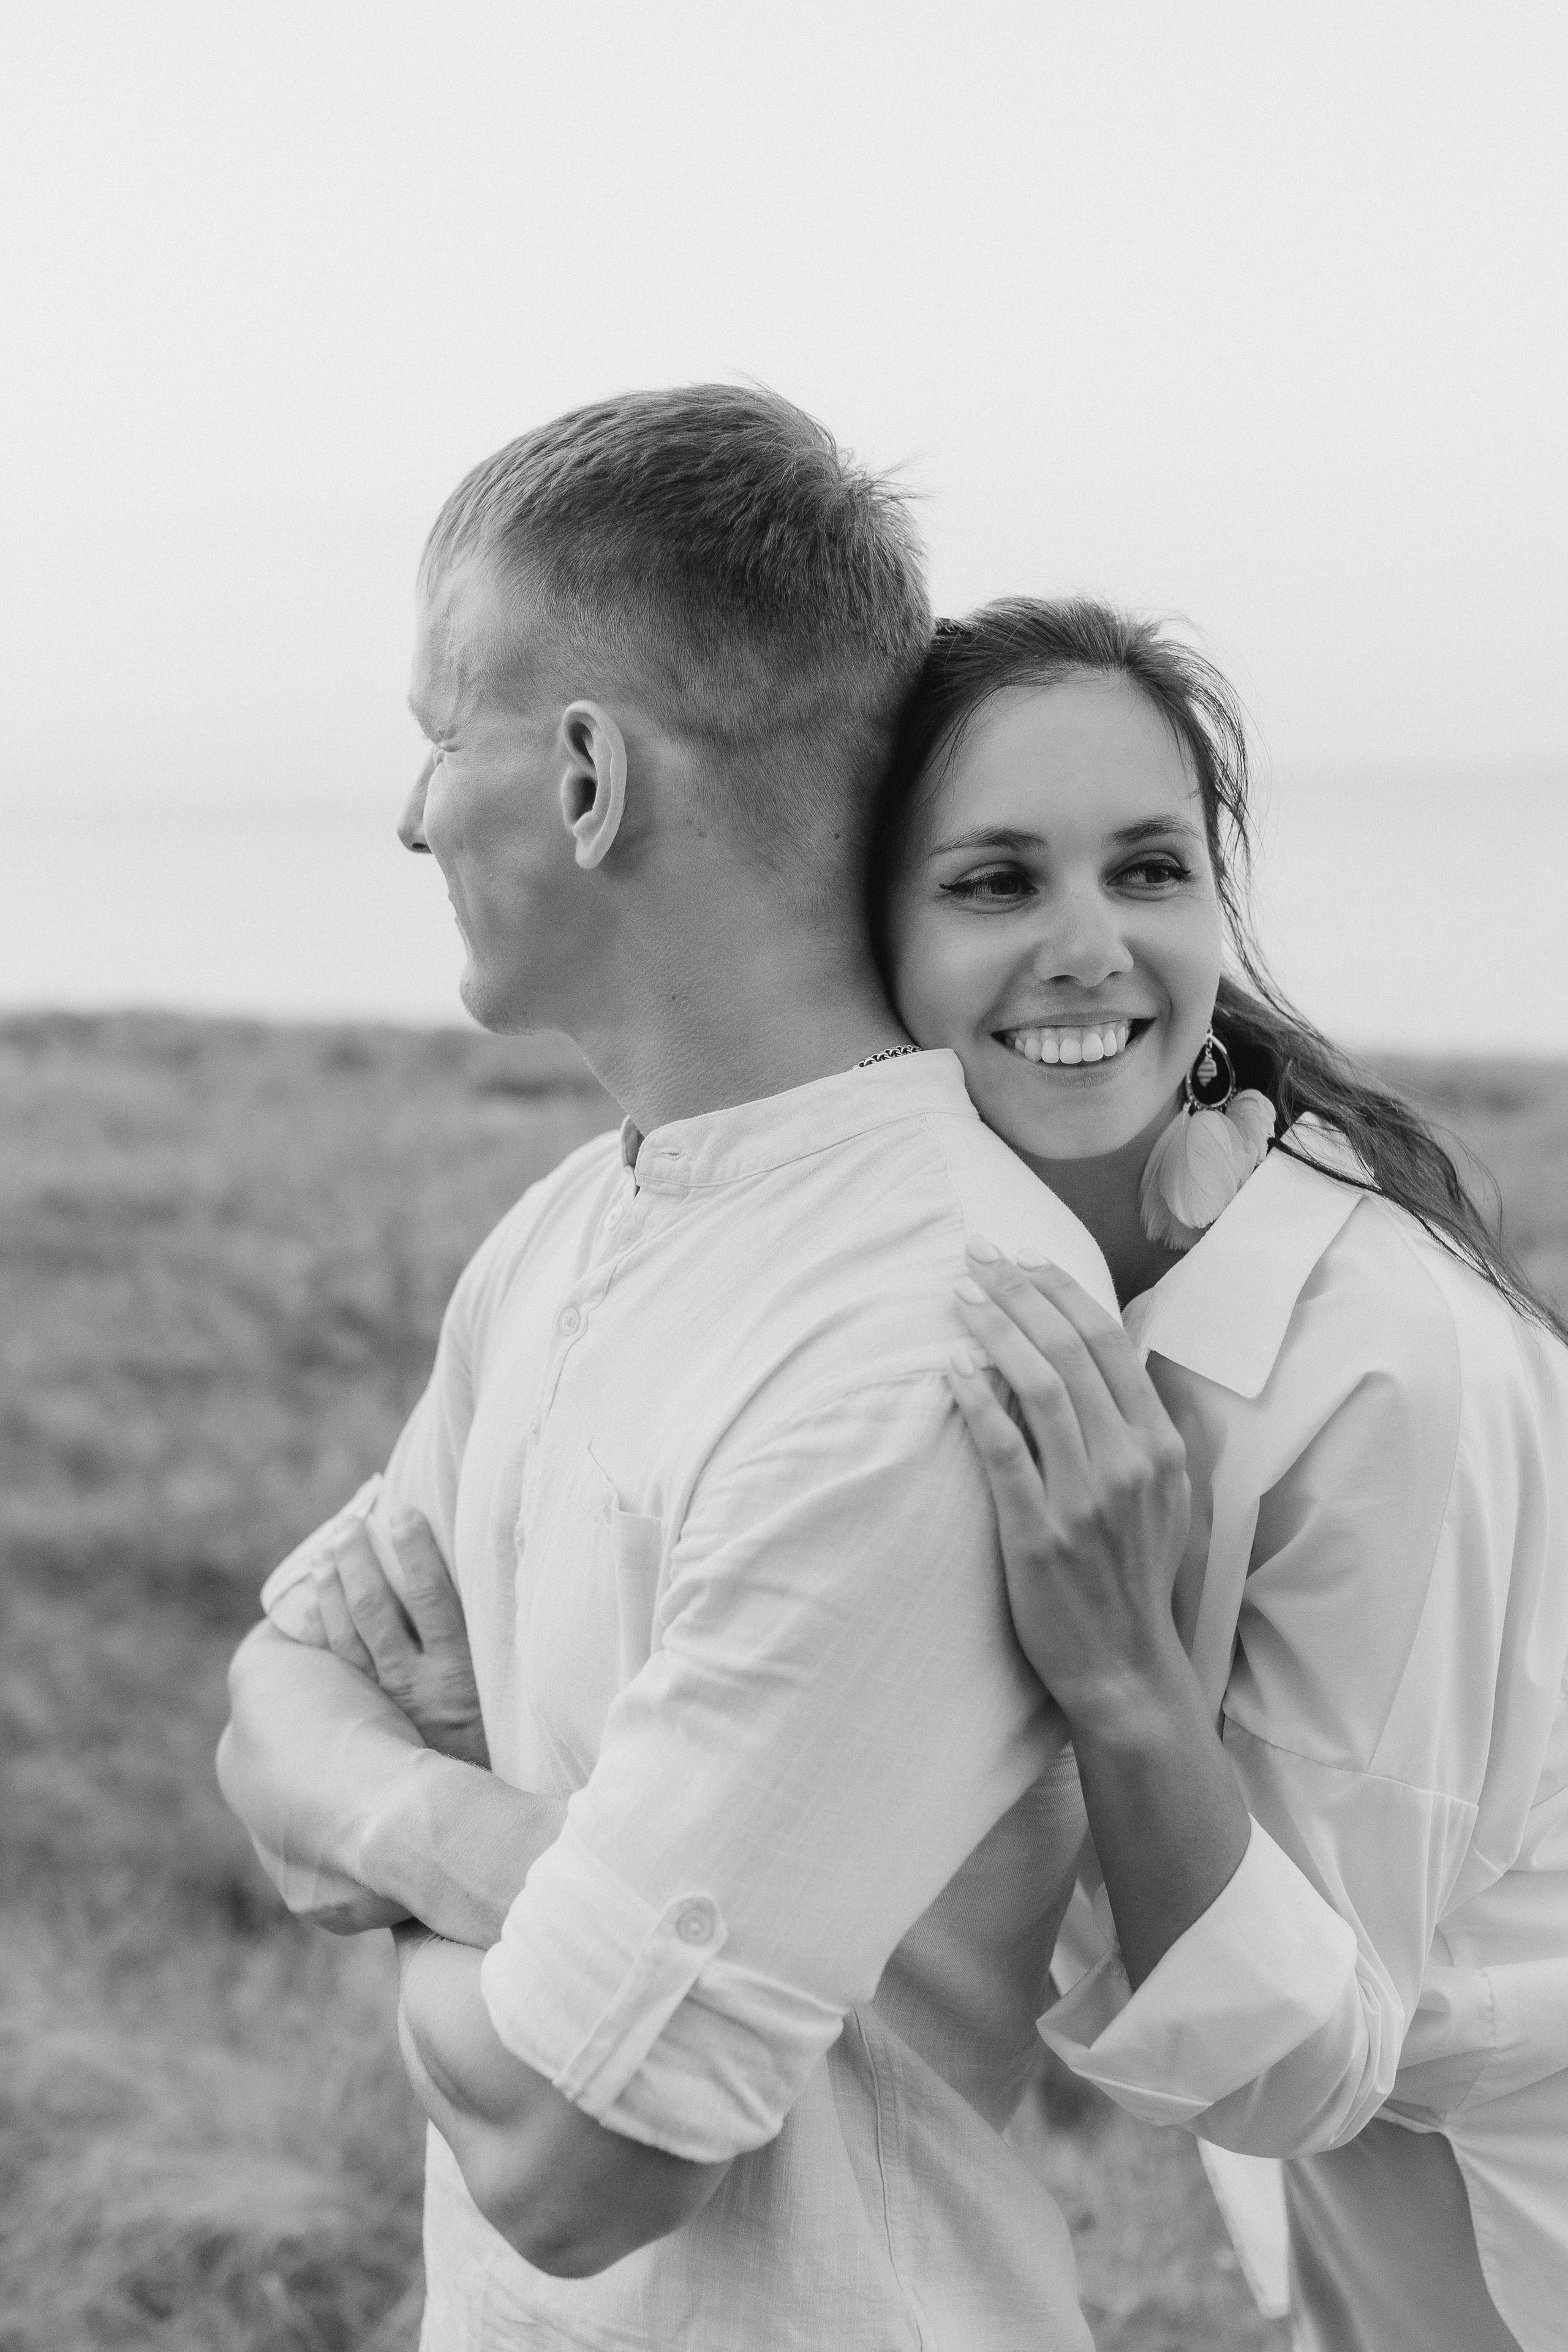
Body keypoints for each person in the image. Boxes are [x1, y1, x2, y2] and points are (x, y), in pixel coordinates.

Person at [217, 390, 1122, 2351]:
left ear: (589, 778)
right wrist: (475, 1848)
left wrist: (369, 1827)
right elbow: (269, 1699)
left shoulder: (922, 1339)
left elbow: (579, 2163)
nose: (409, 816)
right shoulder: (564, 1227)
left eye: (439, 736)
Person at [870, 597, 1568, 2352]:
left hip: (1510, 2191)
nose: (1091, 946)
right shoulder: (1004, 1281)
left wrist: (1122, 1674)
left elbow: (1306, 2056)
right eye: (997, 881)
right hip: (1366, 2157)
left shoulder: (1380, 1360)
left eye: (1151, 871)